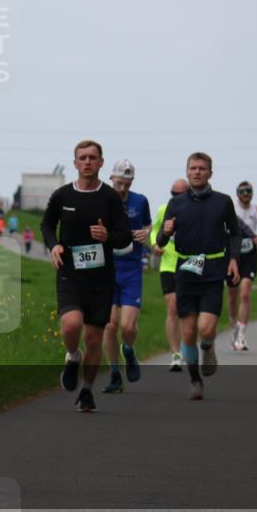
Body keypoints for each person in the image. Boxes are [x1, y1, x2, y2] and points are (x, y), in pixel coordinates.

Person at [41, 140, 132, 413]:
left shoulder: (110, 197)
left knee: (94, 338)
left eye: (93, 157)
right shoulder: (63, 195)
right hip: (70, 274)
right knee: (71, 326)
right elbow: (46, 224)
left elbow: (125, 236)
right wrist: (53, 245)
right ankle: (72, 356)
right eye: (82, 158)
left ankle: (87, 390)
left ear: (101, 162)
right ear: (75, 163)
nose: (88, 162)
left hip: (101, 279)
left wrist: (108, 236)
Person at [156, 152, 240, 401]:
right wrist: (166, 232)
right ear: (187, 171)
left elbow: (235, 233)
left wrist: (233, 259)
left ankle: (208, 346)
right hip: (185, 272)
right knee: (189, 331)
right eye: (193, 168)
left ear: (210, 173)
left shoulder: (223, 202)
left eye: (202, 168)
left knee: (206, 327)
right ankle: (195, 380)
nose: (197, 172)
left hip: (213, 270)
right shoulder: (176, 203)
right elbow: (161, 241)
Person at [102, 159, 152, 393]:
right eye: (119, 183)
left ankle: (129, 350)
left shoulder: (140, 201)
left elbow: (148, 225)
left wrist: (146, 233)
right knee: (110, 325)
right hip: (107, 268)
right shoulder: (101, 200)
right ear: (111, 179)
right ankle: (114, 374)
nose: (122, 188)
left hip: (132, 269)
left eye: (127, 184)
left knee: (128, 327)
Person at [151, 178, 190, 371]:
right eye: (173, 194)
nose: (176, 197)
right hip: (168, 265)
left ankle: (188, 347)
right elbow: (154, 230)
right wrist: (155, 244)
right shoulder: (163, 210)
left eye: (180, 194)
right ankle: (175, 354)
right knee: (172, 308)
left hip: (189, 264)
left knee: (188, 311)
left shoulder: (195, 211)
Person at [228, 181, 257, 352]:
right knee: (232, 295)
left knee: (245, 293)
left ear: (252, 193)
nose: (245, 194)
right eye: (242, 191)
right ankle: (234, 326)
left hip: (250, 255)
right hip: (232, 255)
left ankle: (241, 334)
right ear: (237, 193)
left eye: (248, 191)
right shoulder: (231, 209)